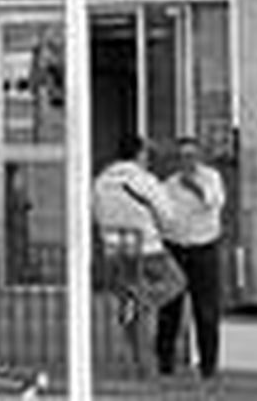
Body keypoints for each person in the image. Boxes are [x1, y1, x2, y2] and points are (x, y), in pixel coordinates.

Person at [91, 134, 186, 370]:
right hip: (148, 249)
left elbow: (94, 214)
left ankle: (142, 365)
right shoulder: (144, 180)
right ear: (139, 154)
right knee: (177, 282)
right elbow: (168, 215)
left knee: (131, 311)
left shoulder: (100, 182)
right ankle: (145, 300)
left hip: (116, 252)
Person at [156, 135, 226, 384]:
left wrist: (193, 187)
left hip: (204, 249)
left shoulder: (211, 178)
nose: (187, 161)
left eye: (191, 156)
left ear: (199, 157)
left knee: (206, 310)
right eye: (182, 156)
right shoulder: (168, 185)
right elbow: (163, 215)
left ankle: (208, 366)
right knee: (169, 309)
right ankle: (165, 364)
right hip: (175, 248)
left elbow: (214, 202)